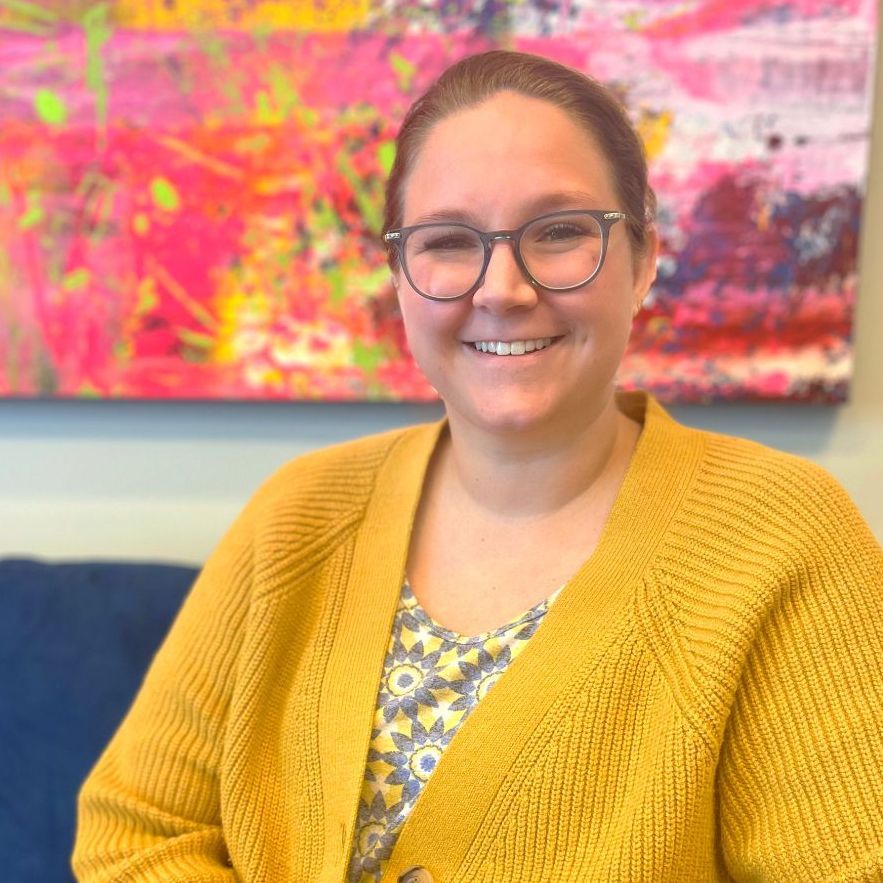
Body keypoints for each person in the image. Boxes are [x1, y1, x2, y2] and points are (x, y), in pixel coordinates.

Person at [73, 50, 883, 882]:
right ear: (399, 276)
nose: (501, 287)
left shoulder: (783, 539)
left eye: (560, 231)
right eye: (449, 241)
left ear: (642, 261)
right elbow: (135, 828)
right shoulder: (298, 514)